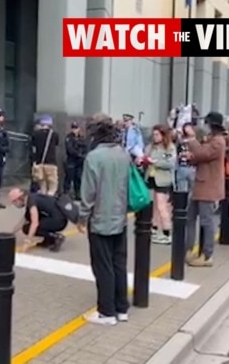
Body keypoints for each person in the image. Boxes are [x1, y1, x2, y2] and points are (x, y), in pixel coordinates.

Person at [76, 116, 130, 326]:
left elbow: (88, 194)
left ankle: (106, 312)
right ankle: (121, 308)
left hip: (100, 218)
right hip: (120, 217)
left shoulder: (94, 157)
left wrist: (82, 218)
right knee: (119, 263)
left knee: (103, 265)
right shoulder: (123, 154)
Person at [181, 112, 226, 267]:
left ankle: (207, 255)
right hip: (202, 184)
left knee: (207, 222)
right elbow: (201, 156)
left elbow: (202, 153)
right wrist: (191, 157)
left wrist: (192, 139)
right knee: (190, 218)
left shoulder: (218, 142)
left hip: (208, 187)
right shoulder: (213, 140)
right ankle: (188, 249)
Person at [144, 125, 176, 245]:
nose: (155, 137)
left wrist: (155, 162)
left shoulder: (170, 148)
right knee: (154, 205)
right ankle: (155, 228)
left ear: (163, 135)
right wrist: (143, 160)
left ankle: (167, 232)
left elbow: (170, 163)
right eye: (154, 134)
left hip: (163, 179)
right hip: (151, 177)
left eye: (157, 134)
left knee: (162, 206)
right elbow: (145, 155)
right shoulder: (151, 146)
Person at [8, 188, 66, 252]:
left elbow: (35, 223)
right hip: (58, 218)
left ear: (18, 199)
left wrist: (27, 242)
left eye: (14, 202)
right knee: (28, 225)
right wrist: (12, 233)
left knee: (27, 228)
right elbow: (25, 219)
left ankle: (56, 237)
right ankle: (48, 240)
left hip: (59, 221)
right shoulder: (31, 197)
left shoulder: (32, 203)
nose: (15, 205)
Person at [31, 115, 59, 195]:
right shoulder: (54, 134)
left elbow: (33, 146)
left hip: (39, 164)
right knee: (52, 186)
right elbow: (56, 143)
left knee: (42, 185)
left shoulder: (36, 134)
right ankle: (49, 201)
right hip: (51, 163)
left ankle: (43, 202)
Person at [63, 122, 86, 199]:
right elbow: (70, 149)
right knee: (69, 178)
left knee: (78, 178)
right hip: (71, 161)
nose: (74, 130)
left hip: (79, 162)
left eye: (76, 128)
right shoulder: (69, 137)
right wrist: (78, 154)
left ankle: (77, 194)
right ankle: (66, 194)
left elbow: (85, 147)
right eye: (73, 128)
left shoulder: (81, 138)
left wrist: (83, 155)